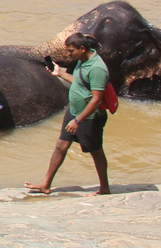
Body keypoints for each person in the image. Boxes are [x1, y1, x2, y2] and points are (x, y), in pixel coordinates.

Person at [25, 33, 110, 196]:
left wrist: (78, 120)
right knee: (60, 146)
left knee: (96, 151)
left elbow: (97, 100)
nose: (68, 54)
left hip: (88, 117)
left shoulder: (97, 68)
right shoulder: (83, 61)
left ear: (82, 48)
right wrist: (60, 74)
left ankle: (104, 188)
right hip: (74, 111)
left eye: (71, 51)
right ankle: (46, 184)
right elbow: (80, 82)